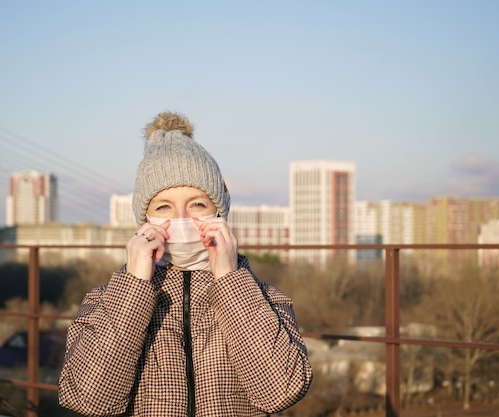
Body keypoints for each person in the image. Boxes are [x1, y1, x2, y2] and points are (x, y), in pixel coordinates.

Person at [58, 112, 313, 417]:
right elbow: (89, 401)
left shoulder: (265, 299)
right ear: (144, 220)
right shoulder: (104, 302)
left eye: (197, 204)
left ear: (219, 212)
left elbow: (280, 392)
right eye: (164, 206)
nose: (180, 219)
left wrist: (230, 281)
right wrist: (135, 286)